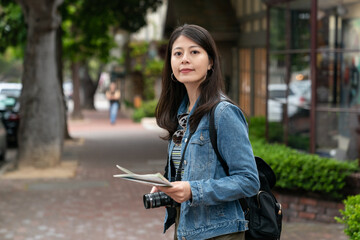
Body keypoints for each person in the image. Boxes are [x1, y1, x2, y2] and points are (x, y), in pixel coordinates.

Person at [150, 24, 260, 240]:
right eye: (178, 53)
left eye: (194, 52)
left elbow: (248, 180)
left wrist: (193, 190)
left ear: (210, 62)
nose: (184, 59)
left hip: (219, 232)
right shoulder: (181, 115)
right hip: (186, 229)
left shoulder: (223, 113)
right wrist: (169, 185)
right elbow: (192, 172)